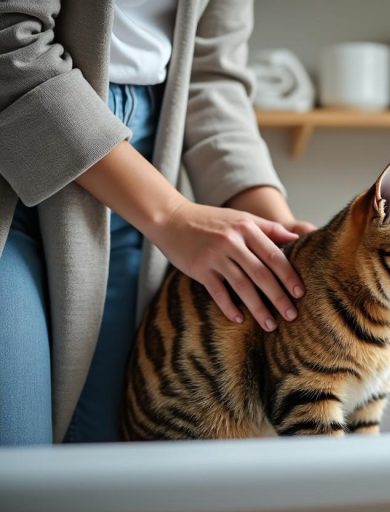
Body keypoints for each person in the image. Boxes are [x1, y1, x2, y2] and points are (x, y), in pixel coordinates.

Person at [0, 0, 314, 445]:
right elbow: (9, 39)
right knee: (17, 462)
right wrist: (171, 214)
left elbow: (211, 76)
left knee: (107, 454)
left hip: (143, 161)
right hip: (16, 159)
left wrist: (282, 238)